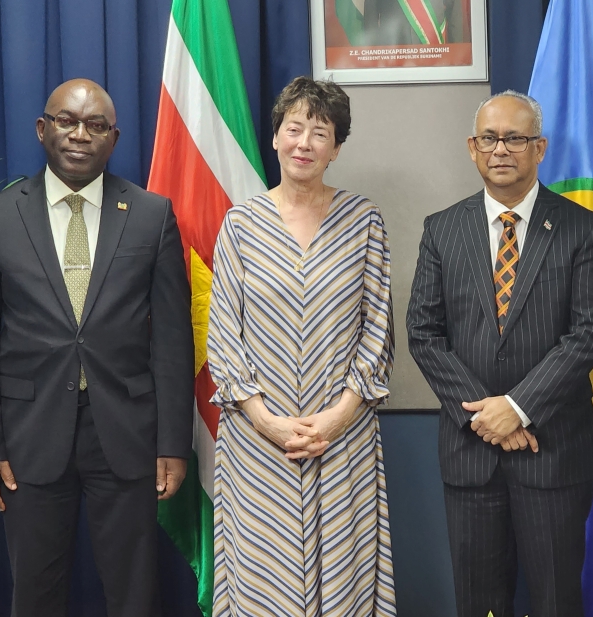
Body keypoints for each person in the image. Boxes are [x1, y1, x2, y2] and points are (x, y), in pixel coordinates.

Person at [0, 78, 194, 617]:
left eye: (95, 125)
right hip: (28, 437)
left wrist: (173, 443)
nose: (80, 134)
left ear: (114, 138)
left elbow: (172, 341)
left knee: (135, 595)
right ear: (43, 129)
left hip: (128, 434)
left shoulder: (152, 215)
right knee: (35, 595)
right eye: (67, 121)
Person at [406, 91, 593, 617]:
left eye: (515, 138)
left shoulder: (583, 228)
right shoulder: (441, 229)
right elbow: (424, 334)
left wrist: (517, 408)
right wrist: (487, 416)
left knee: (556, 602)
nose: (501, 149)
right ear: (472, 148)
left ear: (539, 148)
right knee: (479, 604)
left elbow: (589, 333)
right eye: (489, 138)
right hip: (470, 453)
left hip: (553, 451)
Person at [206, 76, 396, 616]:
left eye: (320, 132)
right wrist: (266, 421)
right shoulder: (241, 224)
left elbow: (378, 330)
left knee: (344, 581)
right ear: (275, 138)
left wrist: (338, 417)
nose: (304, 143)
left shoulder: (363, 220)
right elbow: (224, 334)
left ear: (336, 148)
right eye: (294, 129)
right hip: (257, 442)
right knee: (262, 584)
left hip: (342, 437)